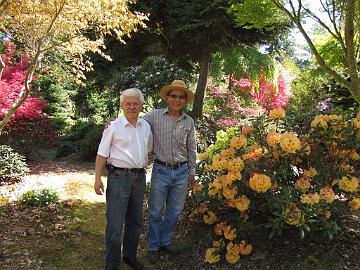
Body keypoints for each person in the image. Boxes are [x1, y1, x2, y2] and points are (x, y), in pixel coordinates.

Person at [94, 88, 153, 270]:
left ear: (141, 106)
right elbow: (102, 154)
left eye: (136, 103)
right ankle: (112, 263)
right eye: (128, 103)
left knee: (135, 220)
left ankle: (129, 256)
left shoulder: (146, 126)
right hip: (119, 177)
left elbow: (149, 150)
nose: (132, 106)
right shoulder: (113, 127)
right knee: (115, 221)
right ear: (122, 105)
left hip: (139, 177)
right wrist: (97, 179)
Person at [144, 80, 197, 264]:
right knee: (156, 212)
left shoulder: (189, 122)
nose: (177, 99)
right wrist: (114, 123)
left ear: (185, 100)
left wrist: (192, 172)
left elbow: (192, 149)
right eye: (173, 96)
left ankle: (165, 242)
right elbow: (133, 120)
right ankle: (152, 247)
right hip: (161, 170)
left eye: (181, 97)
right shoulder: (154, 116)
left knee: (174, 211)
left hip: (182, 172)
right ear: (167, 97)